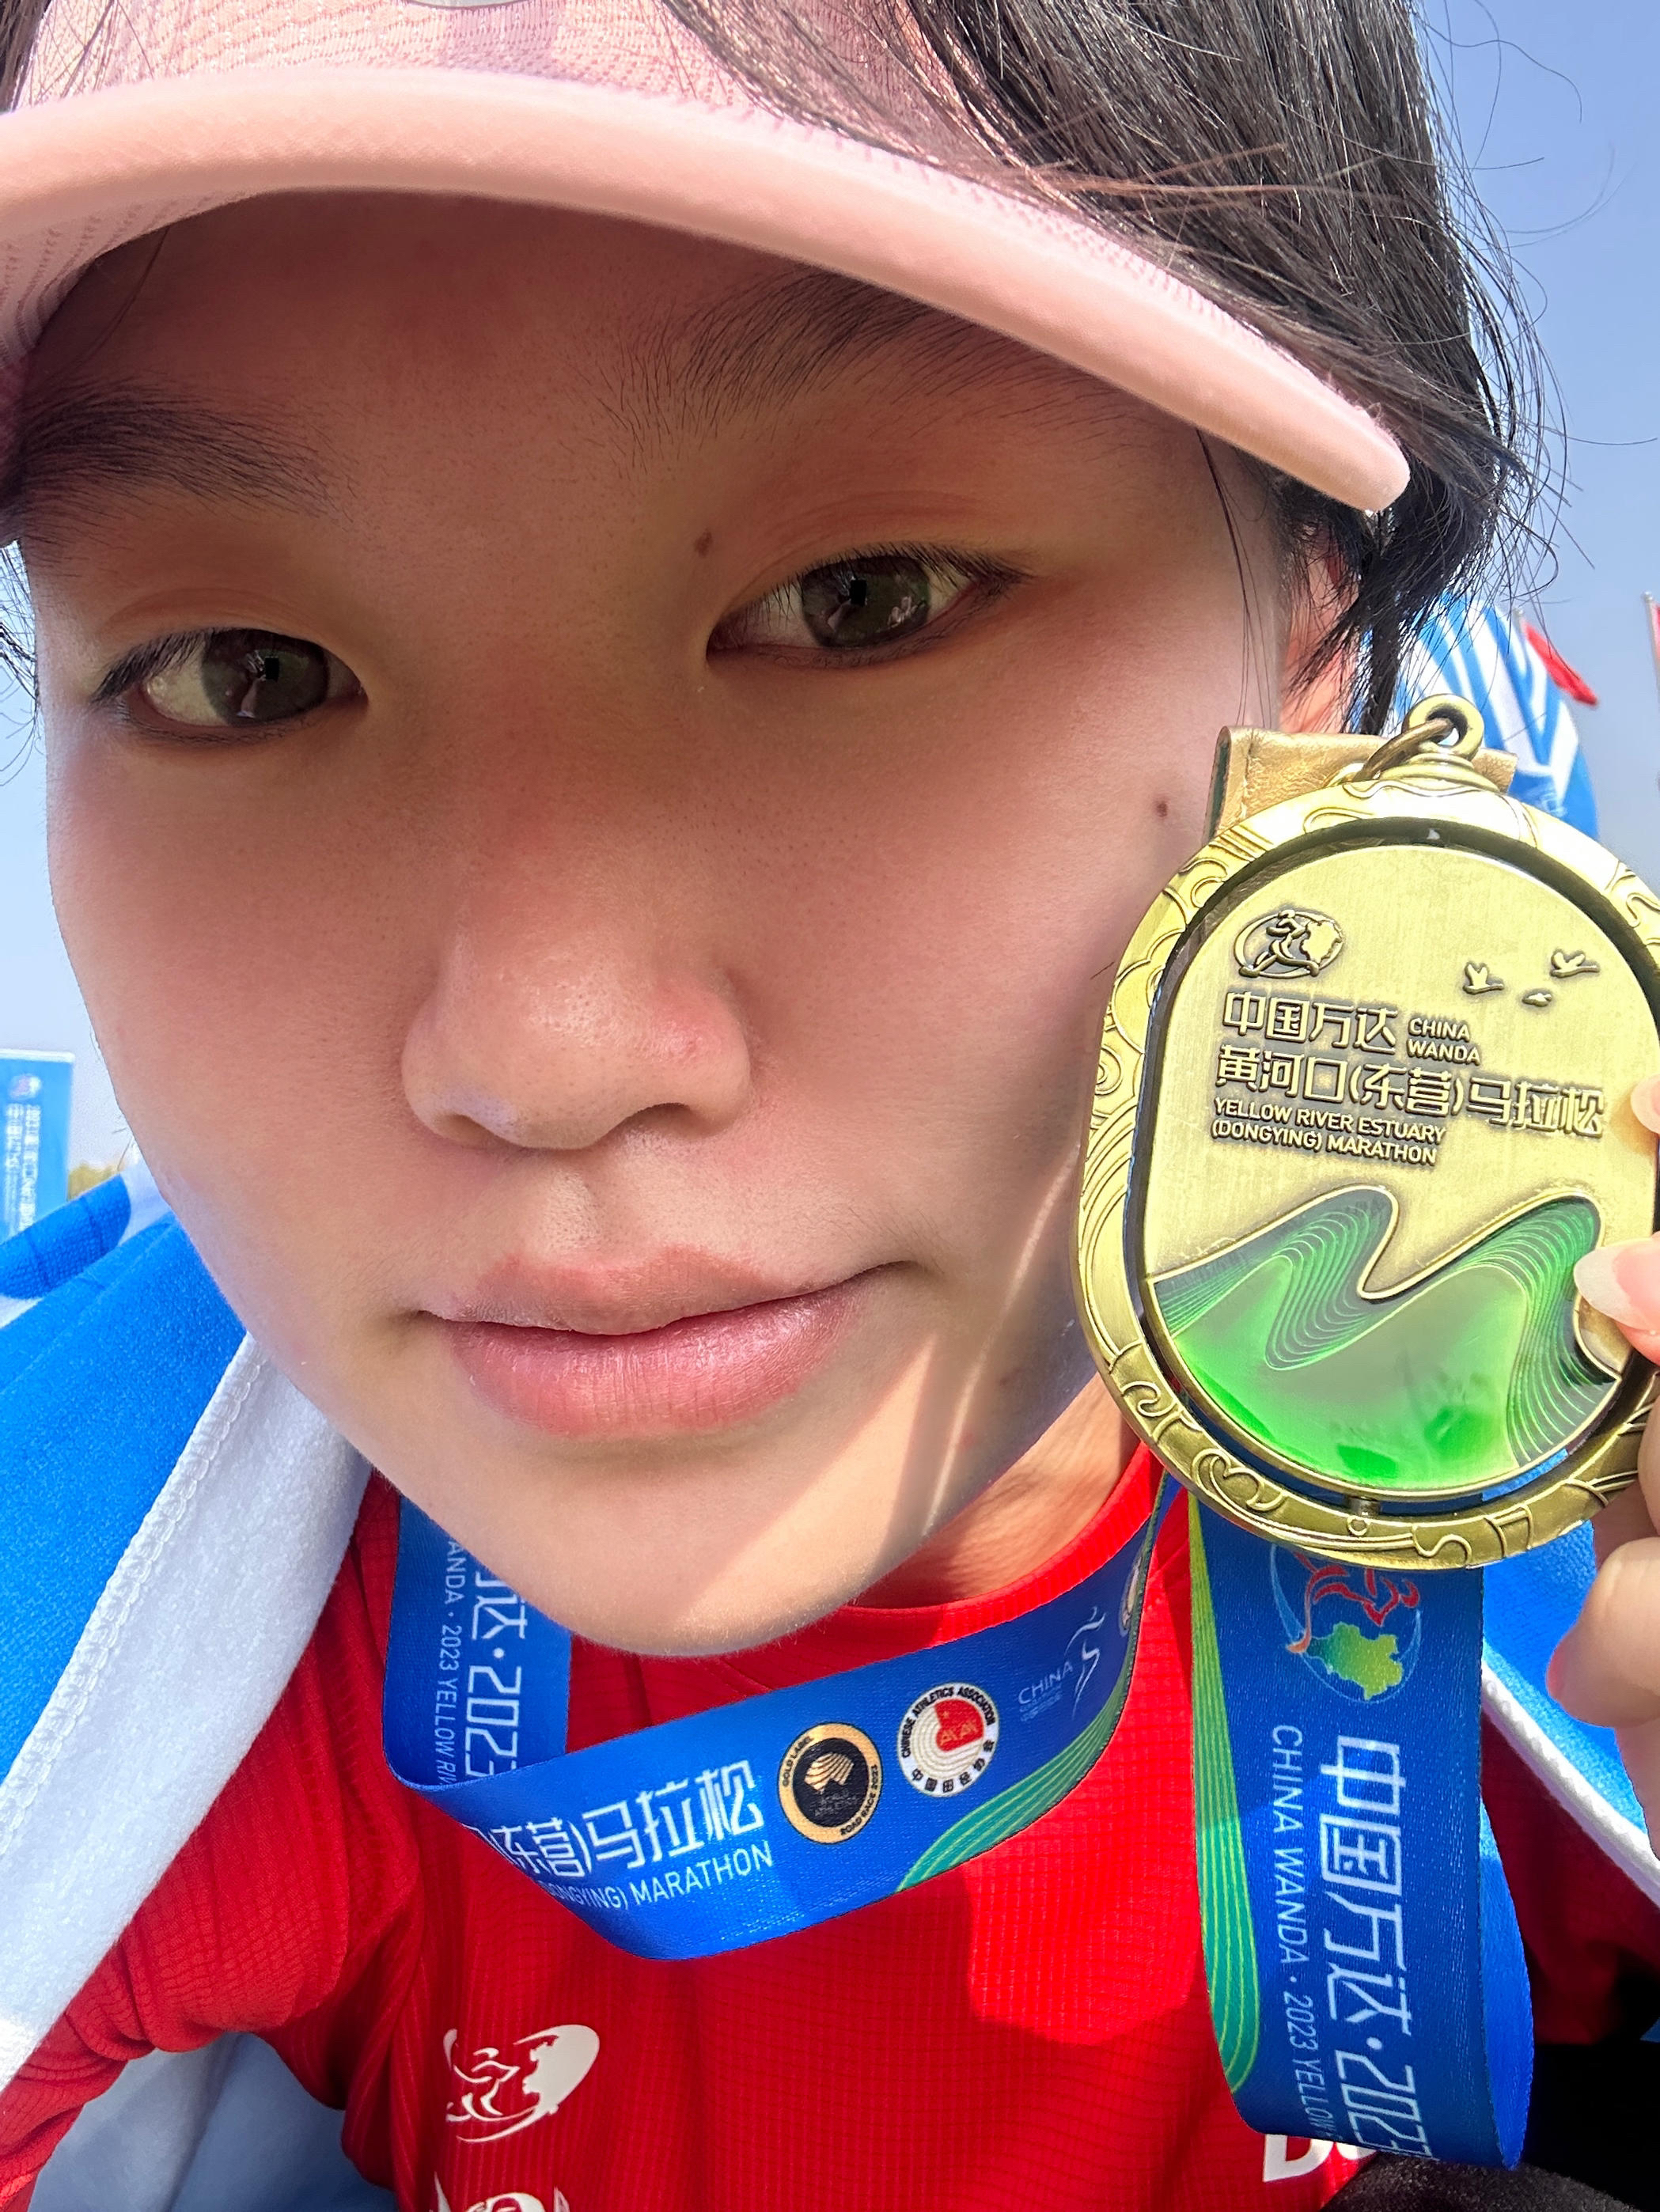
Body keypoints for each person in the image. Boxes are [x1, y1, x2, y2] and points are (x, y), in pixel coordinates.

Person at [3, 1, 1660, 2207]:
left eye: (860, 604)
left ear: (1310, 649)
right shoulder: (176, 1655)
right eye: (249, 673)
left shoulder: (1558, 1568)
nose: (546, 1056)